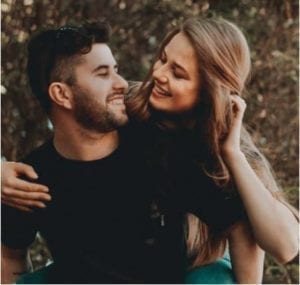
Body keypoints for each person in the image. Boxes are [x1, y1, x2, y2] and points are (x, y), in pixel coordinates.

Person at [2, 17, 299, 284]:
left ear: (208, 91)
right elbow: (10, 255)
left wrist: (232, 152)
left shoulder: (173, 151)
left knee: (215, 278)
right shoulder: (33, 177)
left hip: (183, 270)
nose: (157, 74)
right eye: (163, 59)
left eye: (179, 73)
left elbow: (267, 236)